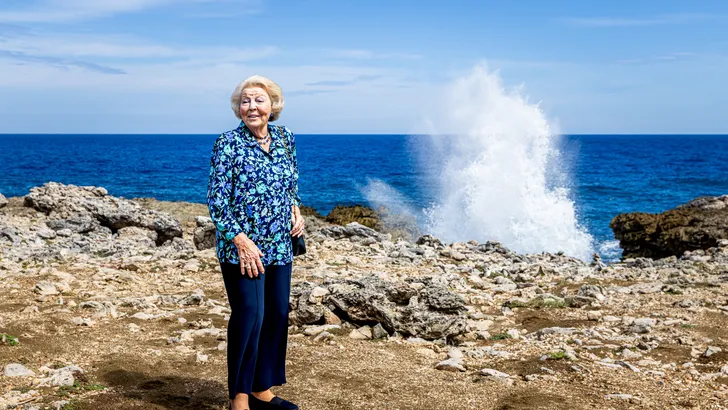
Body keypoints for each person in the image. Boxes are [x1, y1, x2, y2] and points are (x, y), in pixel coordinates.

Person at [207, 75, 304, 410]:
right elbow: (217, 202)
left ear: (272, 105)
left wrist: (296, 208)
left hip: (281, 243)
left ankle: (262, 388)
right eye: (245, 101)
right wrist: (240, 240)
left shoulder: (286, 138)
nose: (252, 106)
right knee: (250, 315)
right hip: (243, 249)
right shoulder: (227, 144)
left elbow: (291, 181)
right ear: (238, 109)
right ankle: (240, 397)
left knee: (276, 313)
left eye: (258, 100)